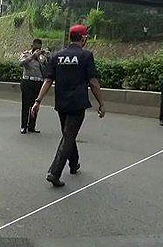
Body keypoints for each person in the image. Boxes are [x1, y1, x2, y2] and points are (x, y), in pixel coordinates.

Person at [32, 24, 105, 187]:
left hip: (62, 104)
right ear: (83, 38)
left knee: (68, 134)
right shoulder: (86, 56)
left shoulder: (57, 56)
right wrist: (101, 103)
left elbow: (48, 80)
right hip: (77, 104)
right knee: (68, 136)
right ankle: (54, 172)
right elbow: (93, 82)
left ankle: (74, 164)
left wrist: (38, 101)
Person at [19, 39, 49, 134]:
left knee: (35, 105)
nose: (37, 49)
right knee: (26, 105)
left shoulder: (42, 57)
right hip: (27, 81)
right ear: (32, 46)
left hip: (38, 83)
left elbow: (48, 67)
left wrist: (47, 56)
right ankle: (23, 126)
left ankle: (32, 126)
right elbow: (22, 63)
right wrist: (33, 56)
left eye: (39, 48)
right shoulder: (26, 54)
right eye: (36, 47)